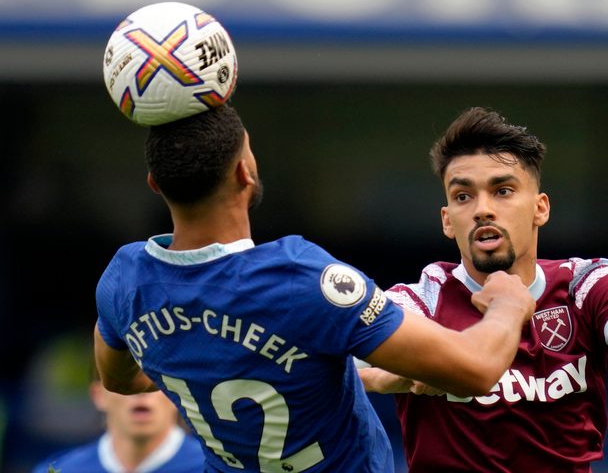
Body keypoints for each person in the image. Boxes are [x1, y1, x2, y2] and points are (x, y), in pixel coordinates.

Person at [93, 103, 536, 473]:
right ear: (246, 172)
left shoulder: (126, 280)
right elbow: (477, 369)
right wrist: (507, 305)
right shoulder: (300, 278)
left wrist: (212, 360)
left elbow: (121, 378)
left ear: (155, 185)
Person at [359, 107, 608, 472]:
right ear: (447, 221)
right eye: (463, 196)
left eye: (502, 191)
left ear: (540, 208)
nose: (482, 210)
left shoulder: (588, 285)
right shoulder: (417, 304)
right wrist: (381, 375)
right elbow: (340, 365)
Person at [32, 367, 204, 473]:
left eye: (154, 379)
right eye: (124, 381)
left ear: (177, 393)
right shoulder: (60, 470)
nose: (140, 391)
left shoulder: (213, 469)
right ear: (98, 395)